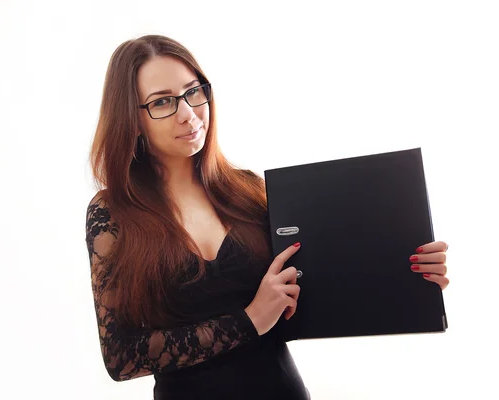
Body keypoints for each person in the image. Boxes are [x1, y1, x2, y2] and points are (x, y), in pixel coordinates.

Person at [84, 35, 450, 400]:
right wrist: (249, 320)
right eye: (162, 101)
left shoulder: (247, 191)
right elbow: (120, 357)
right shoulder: (113, 213)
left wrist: (408, 270)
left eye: (194, 91)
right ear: (131, 119)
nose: (188, 113)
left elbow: (319, 285)